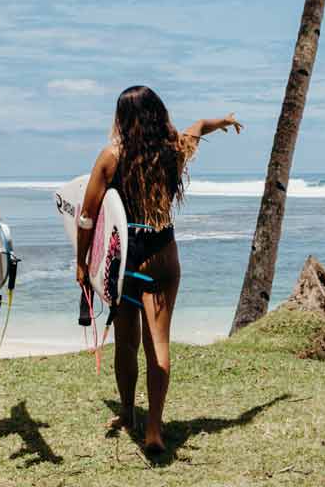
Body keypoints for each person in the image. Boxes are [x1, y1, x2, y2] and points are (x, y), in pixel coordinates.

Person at [76, 86, 240, 455]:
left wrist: (82, 262)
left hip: (127, 256)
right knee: (159, 346)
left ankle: (128, 412)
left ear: (122, 118)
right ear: (157, 114)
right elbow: (199, 125)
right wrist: (224, 121)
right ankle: (153, 429)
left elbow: (86, 217)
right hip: (164, 251)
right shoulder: (175, 149)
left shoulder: (111, 157)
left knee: (127, 342)